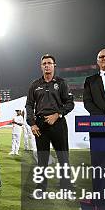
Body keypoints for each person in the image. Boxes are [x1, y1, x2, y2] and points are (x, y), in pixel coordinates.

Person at [25, 54, 75, 192]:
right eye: (44, 63)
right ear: (41, 67)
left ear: (54, 65)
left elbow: (70, 103)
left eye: (49, 63)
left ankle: (66, 186)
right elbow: (29, 105)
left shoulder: (61, 83)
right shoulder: (34, 84)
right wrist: (32, 123)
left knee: (63, 156)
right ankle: (41, 188)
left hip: (58, 122)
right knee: (42, 158)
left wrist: (57, 114)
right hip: (40, 124)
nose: (47, 65)